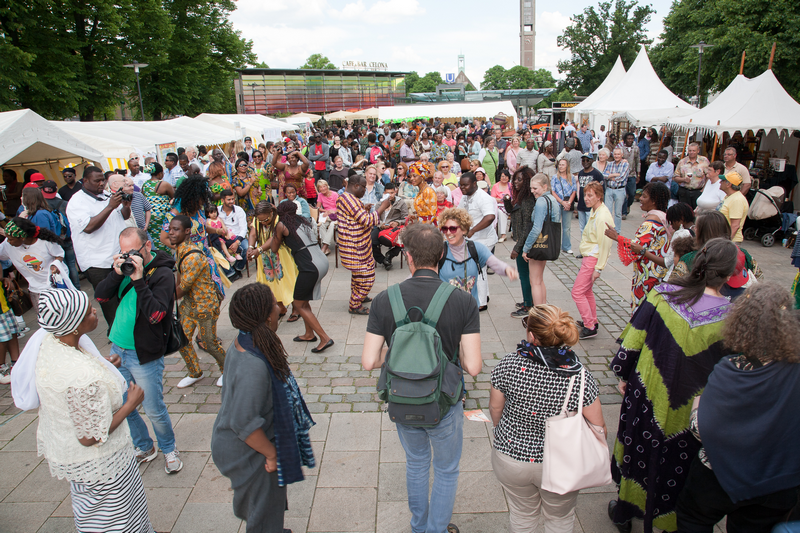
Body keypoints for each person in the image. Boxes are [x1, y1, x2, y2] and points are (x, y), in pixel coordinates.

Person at [608, 238, 739, 533]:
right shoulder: (731, 318)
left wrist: (624, 375)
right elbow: (731, 370)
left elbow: (633, 339)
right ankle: (671, 521)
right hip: (694, 410)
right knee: (679, 464)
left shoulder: (662, 294)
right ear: (730, 274)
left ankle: (626, 511)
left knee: (637, 450)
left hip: (647, 393)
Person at [361, 222, 482, 533]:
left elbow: (369, 361)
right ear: (441, 255)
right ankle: (436, 529)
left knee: (416, 463)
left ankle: (418, 527)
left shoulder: (384, 299)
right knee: (446, 469)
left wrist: (402, 354)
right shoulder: (463, 301)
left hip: (403, 398)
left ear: (408, 256)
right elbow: (473, 366)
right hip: (444, 401)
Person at [676, 282, 800, 533]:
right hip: (777, 480)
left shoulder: (731, 369)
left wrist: (698, 403)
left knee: (692, 519)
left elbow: (699, 430)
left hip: (719, 475)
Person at [26, 290, 154, 532]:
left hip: (86, 467)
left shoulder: (53, 342)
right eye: (87, 312)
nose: (95, 311)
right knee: (115, 518)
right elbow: (90, 436)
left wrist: (102, 363)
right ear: (74, 326)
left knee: (109, 511)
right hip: (103, 467)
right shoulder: (82, 377)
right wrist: (130, 404)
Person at [489, 304, 605, 532]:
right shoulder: (579, 375)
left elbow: (495, 408)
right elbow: (598, 425)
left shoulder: (508, 365)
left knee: (522, 514)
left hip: (511, 456)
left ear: (532, 335)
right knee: (560, 518)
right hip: (561, 461)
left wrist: (500, 430)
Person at [212, 283, 315, 533]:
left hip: (248, 442)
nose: (279, 308)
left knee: (268, 501)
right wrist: (272, 454)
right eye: (274, 304)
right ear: (268, 316)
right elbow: (244, 423)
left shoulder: (247, 340)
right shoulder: (253, 365)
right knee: (263, 510)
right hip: (248, 450)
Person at [94, 227, 182, 473]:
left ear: (147, 245)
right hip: (117, 349)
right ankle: (144, 446)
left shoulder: (162, 273)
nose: (129, 257)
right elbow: (101, 297)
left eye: (133, 251)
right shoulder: (124, 269)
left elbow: (156, 315)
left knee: (153, 408)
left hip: (144, 353)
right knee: (124, 405)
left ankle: (169, 449)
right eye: (123, 252)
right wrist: (116, 273)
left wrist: (139, 280)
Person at [67, 166, 132, 330]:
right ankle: (117, 337)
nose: (101, 184)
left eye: (103, 180)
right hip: (98, 263)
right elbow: (88, 227)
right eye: (97, 181)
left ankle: (129, 333)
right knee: (111, 305)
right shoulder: (77, 201)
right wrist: (110, 206)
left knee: (126, 299)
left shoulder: (106, 196)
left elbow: (123, 216)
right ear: (85, 181)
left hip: (118, 257)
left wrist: (126, 206)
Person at [167, 216, 227, 390]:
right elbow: (179, 280)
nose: (171, 233)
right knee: (182, 339)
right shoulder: (179, 249)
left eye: (176, 229)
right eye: (170, 229)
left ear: (187, 231)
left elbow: (182, 288)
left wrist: (161, 299)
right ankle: (195, 372)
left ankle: (227, 371)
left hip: (206, 306)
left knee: (209, 343)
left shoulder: (193, 256)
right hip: (190, 304)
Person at [272, 202, 333, 353]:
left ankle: (324, 338)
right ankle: (309, 334)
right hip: (321, 260)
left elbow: (273, 248)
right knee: (303, 301)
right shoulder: (302, 220)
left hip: (309, 266)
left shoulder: (282, 225)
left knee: (298, 304)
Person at [604, 182, 670, 311]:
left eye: (644, 196)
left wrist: (617, 237)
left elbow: (637, 247)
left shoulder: (650, 222)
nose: (640, 199)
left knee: (643, 309)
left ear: (654, 200)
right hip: (658, 271)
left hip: (648, 273)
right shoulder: (663, 217)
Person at [438, 207, 517, 309]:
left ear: (464, 229)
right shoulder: (439, 250)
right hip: (446, 310)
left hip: (470, 310)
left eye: (453, 228)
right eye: (445, 229)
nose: (448, 233)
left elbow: (495, 263)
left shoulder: (476, 248)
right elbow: (423, 272)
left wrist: (507, 269)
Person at [336, 174, 392, 314]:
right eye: (363, 188)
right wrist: (382, 207)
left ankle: (360, 295)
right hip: (354, 247)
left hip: (358, 245)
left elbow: (355, 217)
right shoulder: (349, 200)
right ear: (356, 186)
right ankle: (355, 304)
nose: (365, 191)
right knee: (367, 276)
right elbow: (367, 221)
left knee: (358, 275)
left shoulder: (347, 198)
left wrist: (364, 209)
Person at [571, 182, 615, 339]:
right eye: (585, 195)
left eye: (590, 195)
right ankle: (592, 321)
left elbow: (605, 244)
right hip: (589, 256)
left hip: (593, 258)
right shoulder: (595, 210)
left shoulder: (602, 216)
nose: (586, 198)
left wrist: (599, 268)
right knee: (586, 291)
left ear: (599, 196)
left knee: (577, 292)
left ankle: (589, 326)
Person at [246, 201, 298, 317]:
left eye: (266, 220)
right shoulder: (258, 219)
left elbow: (275, 237)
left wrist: (259, 250)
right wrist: (250, 248)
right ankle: (280, 307)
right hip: (265, 257)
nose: (263, 223)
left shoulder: (279, 219)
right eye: (260, 221)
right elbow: (253, 234)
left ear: (271, 212)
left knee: (289, 281)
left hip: (281, 255)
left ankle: (296, 308)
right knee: (270, 283)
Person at [0, 217, 65, 308]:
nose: (8, 241)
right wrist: (3, 277)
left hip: (57, 286)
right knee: (44, 316)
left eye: (11, 239)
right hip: (36, 290)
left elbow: (59, 254)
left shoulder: (44, 241)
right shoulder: (7, 245)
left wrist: (55, 264)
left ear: (22, 237)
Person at [457, 172, 498, 308]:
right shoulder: (465, 196)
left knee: (477, 268)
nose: (462, 188)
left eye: (465, 185)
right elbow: (459, 213)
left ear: (474, 183)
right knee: (480, 268)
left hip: (484, 239)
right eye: (461, 185)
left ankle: (481, 303)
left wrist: (473, 230)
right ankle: (485, 295)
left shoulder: (483, 197)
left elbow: (490, 217)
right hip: (472, 240)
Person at [521, 173, 562, 306]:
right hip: (548, 243)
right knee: (540, 280)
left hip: (538, 243)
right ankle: (544, 309)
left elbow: (536, 228)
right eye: (531, 188)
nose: (533, 191)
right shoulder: (552, 199)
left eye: (535, 188)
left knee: (535, 282)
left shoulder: (541, 201)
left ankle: (539, 312)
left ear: (545, 186)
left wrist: (526, 248)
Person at [506, 168, 537, 318]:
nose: (516, 182)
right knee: (527, 275)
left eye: (520, 179)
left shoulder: (528, 201)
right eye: (515, 179)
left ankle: (528, 305)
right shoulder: (521, 197)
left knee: (525, 275)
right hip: (522, 241)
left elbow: (527, 227)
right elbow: (512, 212)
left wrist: (517, 249)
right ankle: (529, 300)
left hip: (526, 244)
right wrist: (507, 201)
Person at [372, 182, 408, 270]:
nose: (390, 195)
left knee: (404, 238)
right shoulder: (379, 204)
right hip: (382, 227)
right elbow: (375, 218)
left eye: (392, 193)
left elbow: (406, 218)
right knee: (371, 240)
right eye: (388, 193)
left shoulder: (400, 203)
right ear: (384, 193)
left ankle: (390, 255)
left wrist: (397, 222)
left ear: (395, 192)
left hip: (395, 228)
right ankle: (383, 260)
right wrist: (382, 225)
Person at [140, 162, 174, 252]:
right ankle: (165, 255)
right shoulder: (164, 184)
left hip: (148, 216)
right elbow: (174, 197)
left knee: (153, 237)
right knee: (164, 237)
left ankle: (155, 253)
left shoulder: (145, 184)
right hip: (162, 215)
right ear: (160, 173)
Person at [216, 189, 249, 272]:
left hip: (238, 236)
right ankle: (228, 271)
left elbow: (243, 229)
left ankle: (237, 268)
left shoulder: (239, 210)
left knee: (246, 248)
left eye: (232, 199)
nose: (231, 201)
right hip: (223, 237)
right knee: (216, 250)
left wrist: (237, 242)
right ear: (222, 200)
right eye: (229, 199)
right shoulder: (217, 211)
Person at [576, 152, 605, 239]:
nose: (585, 162)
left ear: (592, 161)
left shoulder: (597, 174)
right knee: (582, 228)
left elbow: (602, 190)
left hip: (591, 205)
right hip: (581, 204)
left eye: (587, 160)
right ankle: (583, 244)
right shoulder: (581, 173)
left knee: (591, 228)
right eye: (583, 160)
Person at [550, 159, 576, 255]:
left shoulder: (571, 177)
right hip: (557, 203)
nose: (561, 166)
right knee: (555, 225)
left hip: (567, 202)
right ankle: (554, 246)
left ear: (566, 166)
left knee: (567, 227)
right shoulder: (555, 177)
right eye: (560, 164)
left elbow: (574, 191)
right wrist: (561, 202)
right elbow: (552, 191)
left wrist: (568, 203)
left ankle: (566, 246)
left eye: (563, 165)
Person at [673, 142, 710, 209]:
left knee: (697, 211)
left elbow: (709, 176)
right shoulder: (682, 162)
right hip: (684, 191)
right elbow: (675, 177)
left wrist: (704, 188)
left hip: (698, 191)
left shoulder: (704, 161)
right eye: (690, 150)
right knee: (684, 211)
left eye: (694, 150)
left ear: (698, 151)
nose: (691, 152)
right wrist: (683, 179)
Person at [603, 148, 630, 233]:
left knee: (618, 212)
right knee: (608, 211)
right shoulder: (610, 164)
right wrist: (615, 175)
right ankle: (608, 229)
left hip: (620, 190)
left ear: (622, 155)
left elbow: (622, 177)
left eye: (618, 154)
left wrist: (610, 175)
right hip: (609, 188)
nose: (616, 156)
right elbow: (604, 175)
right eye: (615, 154)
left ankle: (617, 231)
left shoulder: (625, 164)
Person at [718, 172, 749, 243]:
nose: (720, 182)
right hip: (721, 238)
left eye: (722, 181)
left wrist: (726, 242)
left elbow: (735, 225)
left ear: (729, 184)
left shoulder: (737, 200)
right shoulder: (729, 196)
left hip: (729, 241)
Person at [315, 180, 339, 256]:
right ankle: (327, 248)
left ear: (327, 186)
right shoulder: (320, 195)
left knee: (332, 225)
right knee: (321, 225)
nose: (323, 188)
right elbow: (318, 207)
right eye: (320, 187)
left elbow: (340, 207)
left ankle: (325, 246)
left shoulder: (335, 194)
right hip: (327, 216)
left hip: (335, 216)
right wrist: (326, 211)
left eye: (324, 186)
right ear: (318, 189)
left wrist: (332, 211)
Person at [491, 169, 512, 242]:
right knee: (500, 212)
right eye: (502, 176)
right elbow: (492, 198)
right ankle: (503, 234)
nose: (504, 178)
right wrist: (501, 200)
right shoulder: (495, 186)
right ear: (499, 177)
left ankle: (508, 233)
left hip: (509, 205)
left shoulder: (511, 186)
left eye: (506, 176)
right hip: (499, 205)